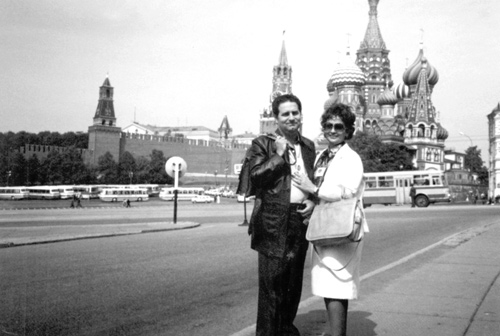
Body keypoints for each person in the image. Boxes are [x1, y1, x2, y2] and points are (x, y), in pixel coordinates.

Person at [293, 103, 368, 336]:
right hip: (325, 224)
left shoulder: (351, 157)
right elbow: (324, 193)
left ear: (348, 131)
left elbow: (347, 191)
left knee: (338, 283)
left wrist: (312, 189)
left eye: (339, 126)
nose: (333, 130)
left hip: (343, 226)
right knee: (328, 283)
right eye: (328, 125)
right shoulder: (322, 156)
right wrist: (313, 202)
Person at [246, 94, 316, 336]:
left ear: (301, 115)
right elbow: (255, 178)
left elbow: (311, 181)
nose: (291, 117)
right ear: (276, 118)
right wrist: (277, 155)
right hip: (273, 221)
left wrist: (312, 200)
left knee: (293, 283)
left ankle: (286, 330)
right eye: (285, 114)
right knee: (272, 286)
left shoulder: (308, 146)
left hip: (300, 219)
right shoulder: (262, 144)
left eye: (295, 112)